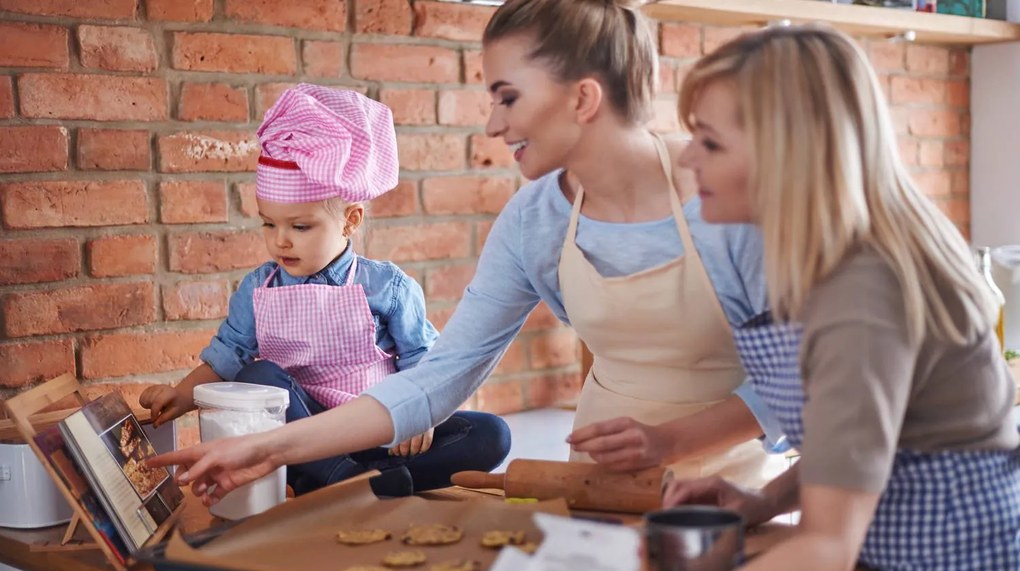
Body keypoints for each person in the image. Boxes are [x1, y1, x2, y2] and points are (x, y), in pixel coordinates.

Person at [504, 24, 1020, 571]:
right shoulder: (843, 263)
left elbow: (825, 555)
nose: (688, 160)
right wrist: (766, 501)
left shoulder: (861, 296)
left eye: (711, 142)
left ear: (790, 155)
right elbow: (871, 441)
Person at [146, 0, 787, 503]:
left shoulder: (725, 197)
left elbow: (802, 381)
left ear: (583, 99)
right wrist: (270, 450)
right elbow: (439, 377)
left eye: (507, 96)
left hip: (730, 480)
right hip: (600, 472)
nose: (493, 125)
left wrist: (670, 441)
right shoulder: (534, 222)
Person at [139, 84, 510, 494]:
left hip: (380, 430)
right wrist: (179, 396)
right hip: (303, 436)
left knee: (492, 434)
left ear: (351, 220)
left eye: (299, 227)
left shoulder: (387, 286)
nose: (280, 240)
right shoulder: (256, 289)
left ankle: (354, 480)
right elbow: (226, 359)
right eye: (268, 223)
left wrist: (418, 417)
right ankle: (344, 478)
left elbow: (425, 362)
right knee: (256, 374)